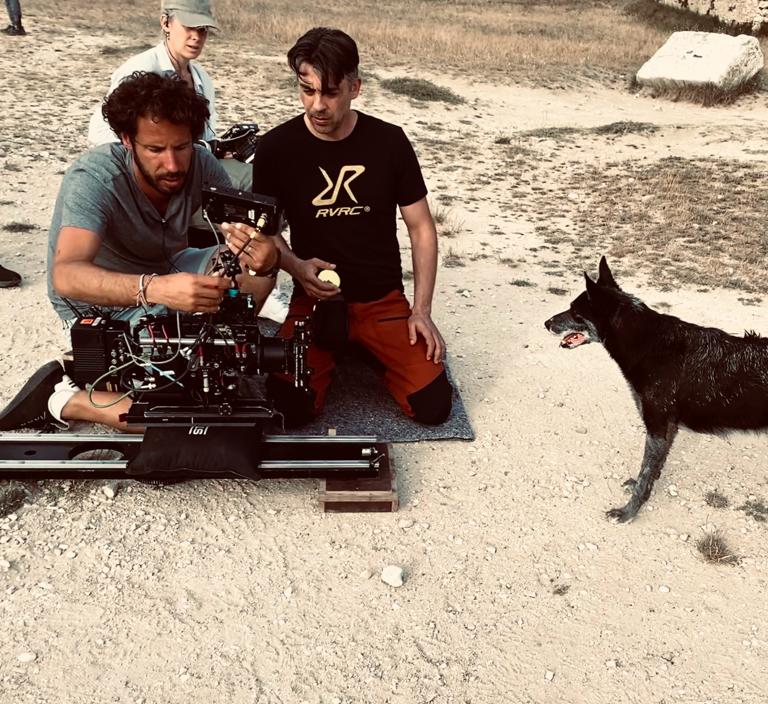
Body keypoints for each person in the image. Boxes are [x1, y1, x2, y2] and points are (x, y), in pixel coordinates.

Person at [0, 71, 278, 433]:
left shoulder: (201, 162)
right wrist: (158, 290)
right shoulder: (95, 177)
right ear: (127, 140)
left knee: (256, 267)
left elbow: (247, 229)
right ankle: (65, 399)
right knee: (170, 418)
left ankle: (219, 353)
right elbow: (66, 275)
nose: (174, 164)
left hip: (167, 268)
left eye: (181, 147)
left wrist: (277, 261)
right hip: (99, 302)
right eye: (156, 150)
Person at [233, 27, 451, 426]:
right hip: (315, 300)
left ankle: (368, 349)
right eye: (307, 90)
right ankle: (341, 350)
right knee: (289, 408)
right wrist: (297, 267)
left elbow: (421, 228)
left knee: (433, 406)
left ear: (355, 87)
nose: (317, 104)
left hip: (381, 300)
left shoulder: (389, 142)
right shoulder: (277, 148)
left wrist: (421, 311)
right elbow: (265, 234)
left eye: (330, 92)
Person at [86, 0, 251, 189]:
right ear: (165, 23)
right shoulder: (141, 69)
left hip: (191, 161)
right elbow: (102, 132)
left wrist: (219, 149)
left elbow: (205, 134)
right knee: (250, 181)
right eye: (189, 27)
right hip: (151, 172)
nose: (196, 37)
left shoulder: (201, 79)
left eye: (203, 29)